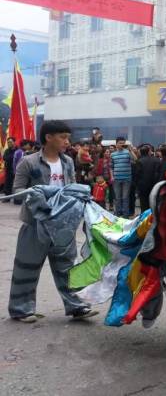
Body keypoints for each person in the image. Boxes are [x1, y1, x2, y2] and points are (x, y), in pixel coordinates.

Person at [8, 120, 98, 323]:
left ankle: (77, 306)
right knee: (27, 266)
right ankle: (21, 309)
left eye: (68, 137)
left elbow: (72, 185)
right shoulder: (28, 162)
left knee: (67, 267)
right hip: (35, 223)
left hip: (62, 225)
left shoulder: (67, 161)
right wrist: (38, 196)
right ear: (48, 137)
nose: (68, 141)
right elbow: (17, 191)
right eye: (63, 137)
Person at [110, 137, 134, 217]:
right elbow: (111, 167)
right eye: (120, 143)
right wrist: (112, 176)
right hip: (116, 178)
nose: (122, 144)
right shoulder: (112, 154)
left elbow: (135, 160)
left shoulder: (127, 152)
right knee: (117, 197)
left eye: (123, 143)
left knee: (125, 197)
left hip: (127, 178)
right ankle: (117, 214)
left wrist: (131, 150)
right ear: (116, 144)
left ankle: (125, 215)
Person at [134, 145, 160, 212]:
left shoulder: (139, 161)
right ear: (149, 151)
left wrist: (137, 185)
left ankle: (145, 219)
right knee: (153, 203)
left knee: (143, 204)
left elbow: (136, 174)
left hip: (142, 186)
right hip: (154, 185)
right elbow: (157, 173)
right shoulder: (156, 160)